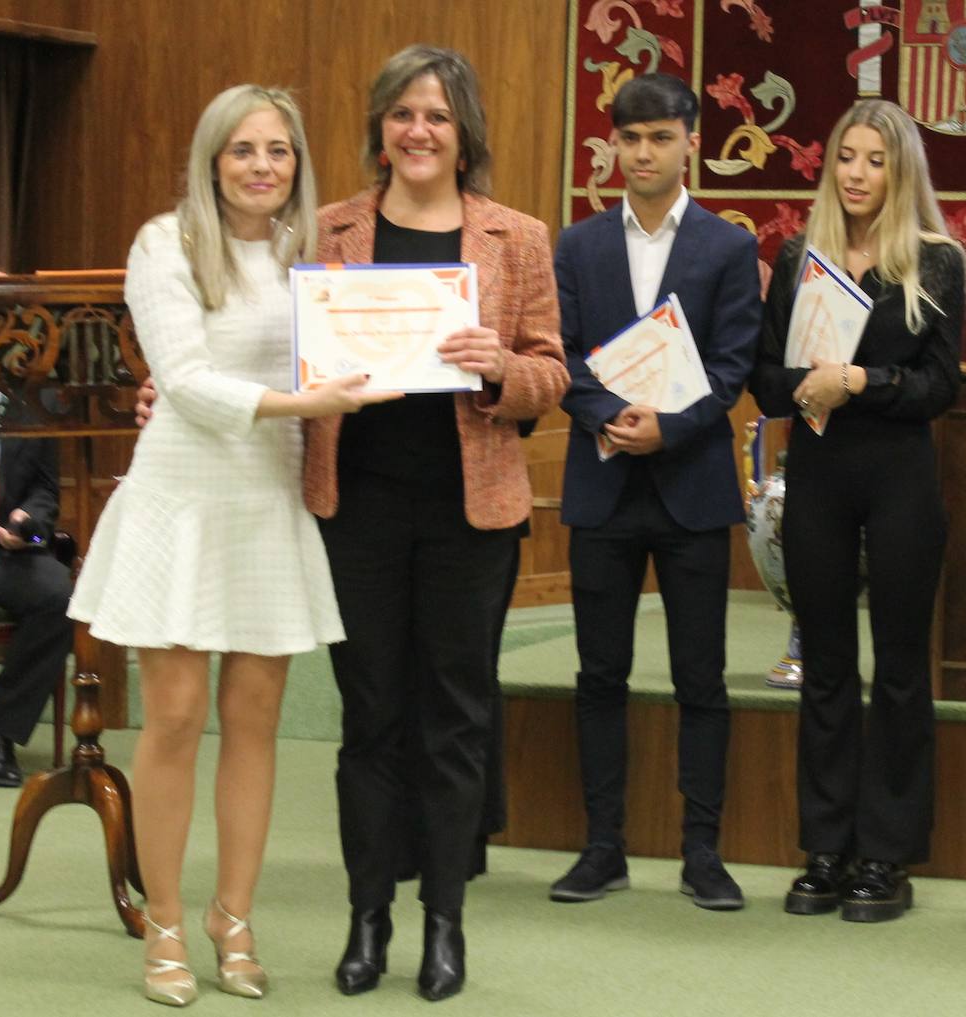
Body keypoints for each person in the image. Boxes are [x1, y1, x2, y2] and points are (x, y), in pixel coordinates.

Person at [67, 85, 396, 1006]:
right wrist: (308, 404)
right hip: (183, 498)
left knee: (254, 723)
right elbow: (184, 379)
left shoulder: (314, 252)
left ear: (299, 164)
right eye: (245, 149)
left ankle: (233, 915)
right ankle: (164, 921)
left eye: (280, 151)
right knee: (173, 719)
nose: (262, 166)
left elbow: (356, 347)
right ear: (213, 159)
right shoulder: (162, 242)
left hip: (268, 501)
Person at [302, 46, 568, 1002]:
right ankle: (367, 915)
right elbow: (286, 353)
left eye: (438, 117)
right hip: (356, 507)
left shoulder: (517, 238)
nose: (418, 131)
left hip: (472, 514)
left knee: (456, 720)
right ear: (381, 129)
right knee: (368, 720)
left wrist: (500, 364)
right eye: (403, 114)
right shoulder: (329, 229)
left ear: (465, 138)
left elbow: (552, 373)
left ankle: (444, 925)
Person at [749, 100, 965, 922]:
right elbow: (766, 379)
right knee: (827, 665)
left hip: (901, 477)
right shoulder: (801, 257)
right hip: (819, 475)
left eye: (876, 159)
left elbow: (941, 387)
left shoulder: (936, 263)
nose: (858, 174)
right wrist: (805, 380)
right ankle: (827, 845)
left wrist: (861, 381)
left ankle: (887, 853)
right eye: (847, 156)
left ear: (900, 170)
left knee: (901, 667)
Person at [551, 73, 761, 911]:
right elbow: (560, 353)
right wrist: (612, 417)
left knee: (700, 677)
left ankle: (701, 851)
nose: (644, 153)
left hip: (690, 486)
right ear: (614, 146)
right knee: (599, 674)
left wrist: (668, 428)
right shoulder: (577, 246)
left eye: (661, 137)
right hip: (603, 483)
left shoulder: (726, 246)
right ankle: (602, 847)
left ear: (689, 144)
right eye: (630, 139)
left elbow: (735, 363)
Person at [0, 268, 72, 789]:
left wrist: (29, 521)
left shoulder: (38, 397)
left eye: (13, 315)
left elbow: (47, 488)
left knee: (58, 594)